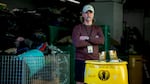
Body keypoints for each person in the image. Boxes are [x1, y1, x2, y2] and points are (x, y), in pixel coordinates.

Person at [72, 4, 104, 84]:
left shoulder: (98, 28)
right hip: (81, 60)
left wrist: (86, 38)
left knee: (94, 82)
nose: (88, 14)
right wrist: (94, 40)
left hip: (94, 60)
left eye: (90, 12)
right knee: (80, 82)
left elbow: (101, 41)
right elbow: (77, 43)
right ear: (82, 14)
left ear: (93, 15)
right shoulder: (77, 28)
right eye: (86, 12)